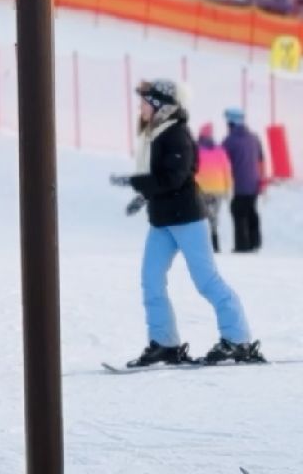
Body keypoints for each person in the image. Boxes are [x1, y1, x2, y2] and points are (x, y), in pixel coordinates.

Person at [110, 81, 261, 366]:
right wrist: (144, 196)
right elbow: (163, 179)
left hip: (187, 219)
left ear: (160, 106)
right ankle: (164, 343)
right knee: (151, 280)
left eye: (145, 102)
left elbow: (174, 179)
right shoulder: (157, 134)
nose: (140, 107)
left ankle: (238, 339)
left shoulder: (177, 135)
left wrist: (135, 183)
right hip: (162, 221)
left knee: (206, 280)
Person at [222, 107, 265, 252]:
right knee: (251, 210)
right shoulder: (254, 137)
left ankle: (242, 245)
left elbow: (222, 161)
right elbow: (261, 158)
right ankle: (255, 241)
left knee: (238, 213)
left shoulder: (229, 141)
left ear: (231, 123)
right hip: (254, 183)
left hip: (239, 184)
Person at [194, 124, 231, 253]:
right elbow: (227, 170)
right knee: (214, 216)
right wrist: (228, 189)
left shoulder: (195, 150)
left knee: (201, 217)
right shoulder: (220, 150)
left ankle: (203, 245)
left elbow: (191, 170)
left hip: (201, 188)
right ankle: (215, 244)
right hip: (218, 189)